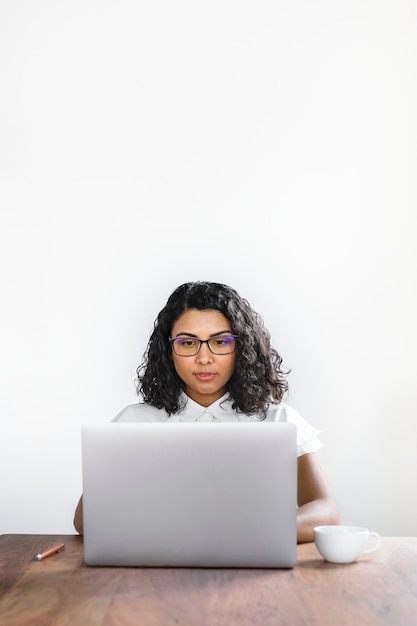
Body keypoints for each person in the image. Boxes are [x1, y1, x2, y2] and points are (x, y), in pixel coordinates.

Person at [74, 281, 339, 541]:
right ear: (169, 351)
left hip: (253, 568)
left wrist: (248, 533)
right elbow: (85, 519)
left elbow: (326, 512)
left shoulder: (278, 420)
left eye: (220, 342)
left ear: (242, 348)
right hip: (158, 569)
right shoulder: (134, 423)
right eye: (188, 343)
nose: (204, 358)